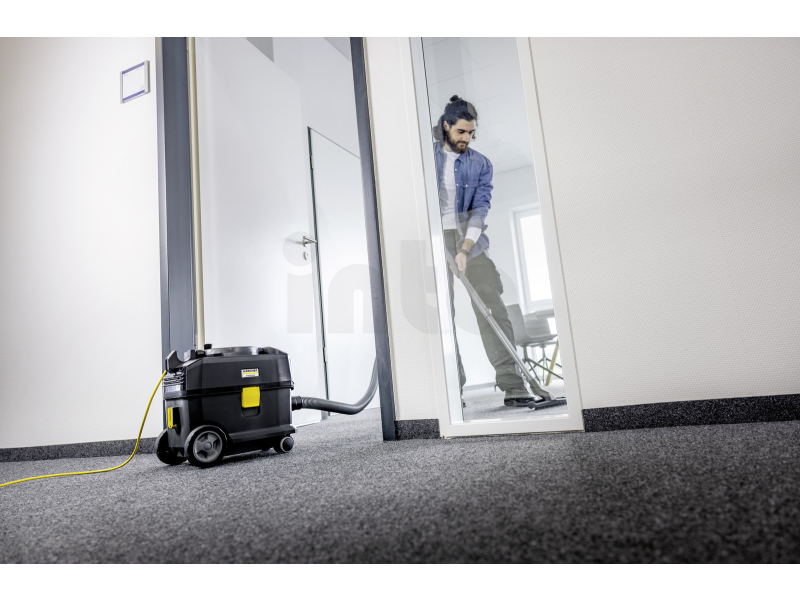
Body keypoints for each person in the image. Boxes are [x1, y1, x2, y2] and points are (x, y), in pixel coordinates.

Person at [434, 95, 539, 408]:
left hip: (471, 241)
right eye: (461, 132)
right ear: (446, 126)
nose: (466, 139)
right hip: (434, 239)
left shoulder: (480, 164)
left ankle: (514, 386)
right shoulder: (425, 158)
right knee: (442, 316)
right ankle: (452, 392)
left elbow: (480, 210)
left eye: (471, 133)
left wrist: (464, 250)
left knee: (492, 308)